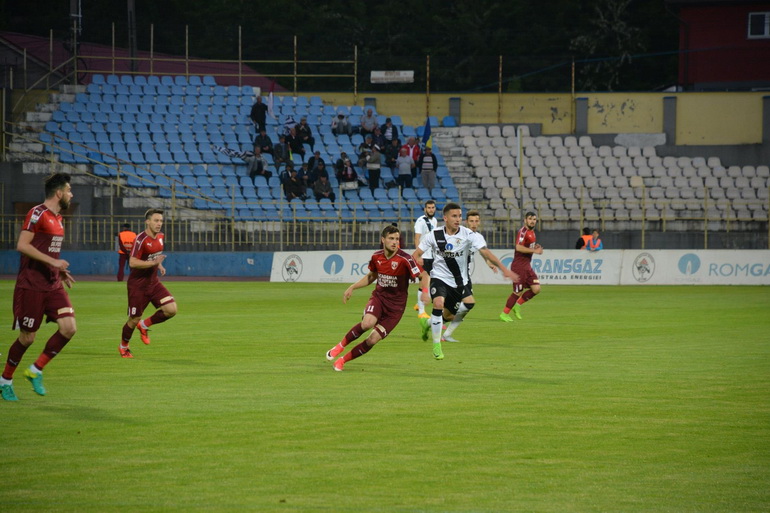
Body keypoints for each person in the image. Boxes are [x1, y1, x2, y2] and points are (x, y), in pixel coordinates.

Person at [1, 173, 76, 401]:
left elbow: (49, 250)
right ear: (59, 193)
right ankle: (5, 381)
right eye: (69, 191)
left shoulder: (59, 219)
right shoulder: (37, 213)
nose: (72, 195)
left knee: (69, 327)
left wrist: (59, 270)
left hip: (53, 284)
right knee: (28, 338)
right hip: (31, 285)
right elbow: (22, 245)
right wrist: (53, 261)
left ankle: (35, 370)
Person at [413, 203, 517, 360]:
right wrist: (418, 265)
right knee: (438, 304)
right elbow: (416, 254)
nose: (458, 219)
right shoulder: (434, 235)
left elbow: (486, 253)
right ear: (445, 218)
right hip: (439, 278)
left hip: (459, 283)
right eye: (454, 216)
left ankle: (427, 324)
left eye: (460, 216)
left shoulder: (469, 235)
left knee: (447, 316)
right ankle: (437, 346)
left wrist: (504, 268)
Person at [325, 225, 429, 371]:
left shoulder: (405, 259)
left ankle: (342, 361)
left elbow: (424, 275)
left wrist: (424, 291)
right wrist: (352, 287)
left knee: (372, 339)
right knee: (367, 323)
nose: (394, 242)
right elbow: (371, 276)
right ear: (383, 239)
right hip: (379, 299)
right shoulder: (376, 257)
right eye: (391, 238)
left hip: (396, 309)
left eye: (397, 239)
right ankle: (340, 346)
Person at [119, 208, 178, 358]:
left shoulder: (160, 237)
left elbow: (153, 256)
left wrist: (159, 265)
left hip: (153, 283)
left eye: (161, 221)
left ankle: (144, 326)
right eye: (156, 221)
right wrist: (153, 263)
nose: (159, 224)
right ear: (147, 222)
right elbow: (132, 262)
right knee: (133, 319)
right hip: (138, 285)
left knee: (171, 309)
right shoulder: (140, 239)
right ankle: (123, 346)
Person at [440, 210, 498, 343]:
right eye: (471, 221)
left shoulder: (477, 237)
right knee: (466, 305)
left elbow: (483, 253)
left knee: (453, 312)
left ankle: (439, 329)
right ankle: (437, 326)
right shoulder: (460, 235)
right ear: (466, 222)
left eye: (476, 221)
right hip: (454, 278)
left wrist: (489, 262)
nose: (474, 224)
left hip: (465, 277)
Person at [499, 211, 543, 322]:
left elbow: (527, 246)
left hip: (527, 266)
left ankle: (517, 305)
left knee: (536, 289)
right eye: (530, 219)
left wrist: (534, 247)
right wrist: (534, 250)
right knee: (518, 291)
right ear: (525, 220)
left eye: (534, 219)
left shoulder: (532, 233)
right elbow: (518, 247)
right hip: (519, 267)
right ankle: (504, 314)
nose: (532, 221)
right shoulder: (523, 232)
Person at [412, 200, 438, 318]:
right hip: (424, 256)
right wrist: (418, 255)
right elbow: (417, 238)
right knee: (424, 281)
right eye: (429, 208)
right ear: (425, 209)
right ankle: (421, 311)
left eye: (433, 207)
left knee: (427, 281)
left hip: (432, 256)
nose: (431, 210)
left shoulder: (435, 221)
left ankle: (419, 304)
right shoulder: (421, 221)